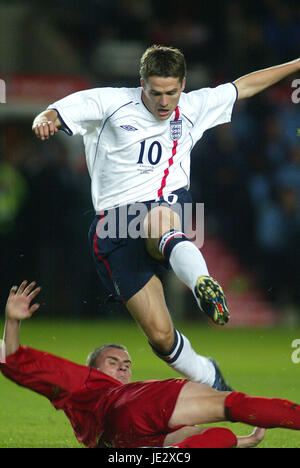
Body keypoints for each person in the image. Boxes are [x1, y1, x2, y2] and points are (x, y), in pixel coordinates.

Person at [31, 45, 300, 388]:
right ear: (141, 83)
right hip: (114, 226)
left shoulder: (193, 106)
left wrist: (294, 63)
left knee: (159, 218)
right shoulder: (109, 102)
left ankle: (202, 282)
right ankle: (214, 379)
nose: (164, 101)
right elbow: (57, 111)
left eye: (171, 92)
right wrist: (45, 120)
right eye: (155, 92)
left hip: (164, 206)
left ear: (183, 84)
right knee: (161, 337)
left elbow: (244, 86)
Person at [3, 281, 300, 449]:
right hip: (131, 408)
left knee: (217, 437)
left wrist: (248, 441)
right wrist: (12, 321)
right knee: (233, 404)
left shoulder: (91, 420)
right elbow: (16, 362)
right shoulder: (84, 384)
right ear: (92, 367)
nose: (122, 367)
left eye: (127, 364)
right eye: (113, 361)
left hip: (128, 444)